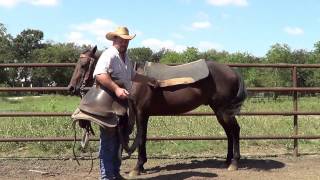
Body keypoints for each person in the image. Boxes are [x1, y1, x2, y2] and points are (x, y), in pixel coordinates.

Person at [93, 26, 136, 180]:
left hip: (121, 105)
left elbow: (133, 75)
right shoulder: (109, 54)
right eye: (121, 40)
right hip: (109, 103)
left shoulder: (126, 58)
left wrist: (151, 80)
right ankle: (106, 177)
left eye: (127, 40)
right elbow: (100, 74)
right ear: (115, 40)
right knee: (109, 139)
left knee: (120, 138)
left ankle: (114, 173)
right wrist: (117, 89)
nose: (124, 43)